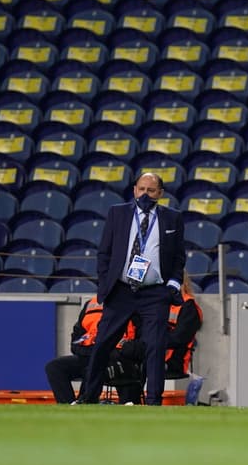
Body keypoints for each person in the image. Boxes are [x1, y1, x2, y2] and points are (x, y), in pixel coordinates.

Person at [78, 171, 187, 406]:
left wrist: (173, 284)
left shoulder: (173, 218)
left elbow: (178, 257)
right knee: (102, 344)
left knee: (156, 347)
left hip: (155, 292)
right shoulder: (117, 213)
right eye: (141, 189)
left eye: (150, 190)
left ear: (160, 193)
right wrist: (105, 283)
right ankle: (88, 398)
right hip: (121, 290)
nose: (145, 194)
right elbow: (104, 252)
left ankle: (153, 402)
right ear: (134, 189)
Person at [44, 295, 138, 404]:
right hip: (90, 355)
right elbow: (75, 341)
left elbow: (142, 343)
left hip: (120, 358)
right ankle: (69, 407)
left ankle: (85, 401)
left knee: (94, 367)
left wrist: (115, 352)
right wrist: (93, 353)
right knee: (54, 367)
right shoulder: (91, 304)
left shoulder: (136, 304)